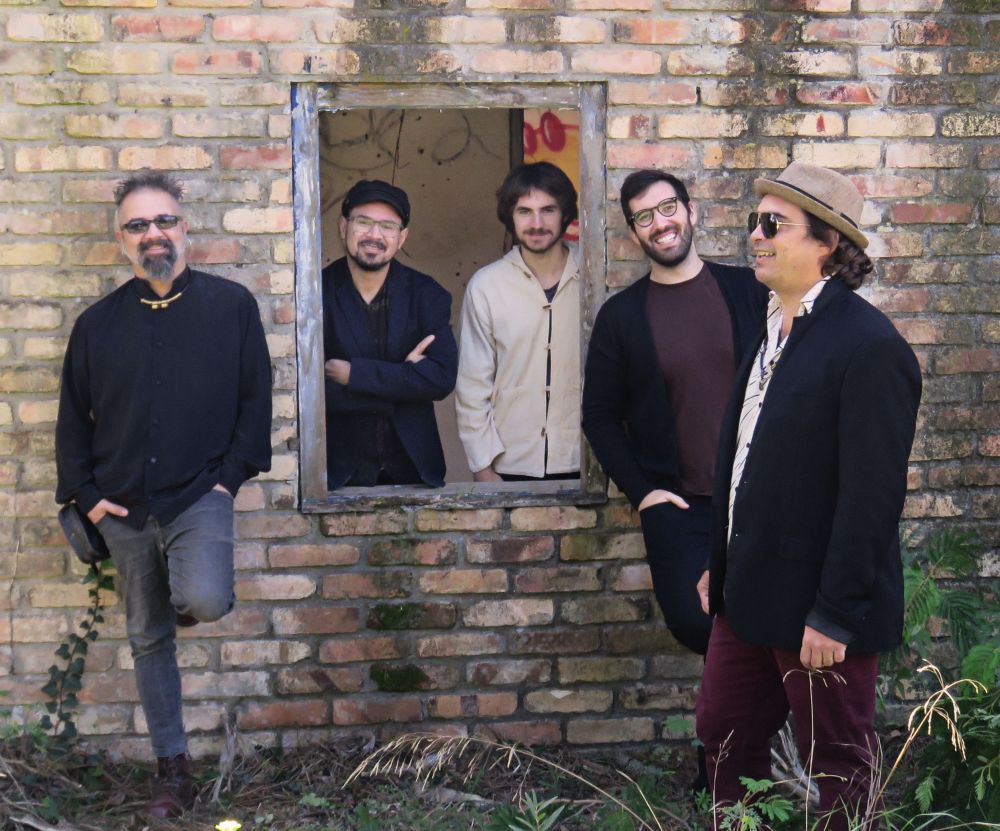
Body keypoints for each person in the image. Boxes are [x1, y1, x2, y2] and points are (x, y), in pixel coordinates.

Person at [695, 163, 922, 828]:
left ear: (827, 242)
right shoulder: (771, 326)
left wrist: (835, 612)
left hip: (819, 611)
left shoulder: (870, 346)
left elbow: (872, 497)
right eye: (755, 221)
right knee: (723, 734)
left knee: (840, 767)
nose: (755, 235)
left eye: (773, 224)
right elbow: (752, 461)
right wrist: (721, 560)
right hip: (747, 592)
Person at [56, 171, 272, 819]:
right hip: (121, 505)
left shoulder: (232, 308)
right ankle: (171, 769)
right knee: (148, 637)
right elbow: (72, 421)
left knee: (202, 597)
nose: (153, 233)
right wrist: (88, 497)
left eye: (164, 220)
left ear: (185, 228)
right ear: (121, 239)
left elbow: (256, 402)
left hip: (200, 493)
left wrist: (228, 479)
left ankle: (184, 584)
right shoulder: (96, 326)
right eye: (138, 224)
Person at [583, 170, 767, 658]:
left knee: (766, 613)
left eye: (668, 208)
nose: (660, 223)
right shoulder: (622, 317)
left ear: (690, 212)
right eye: (643, 217)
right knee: (694, 621)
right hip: (680, 505)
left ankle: (752, 705)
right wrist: (644, 493)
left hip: (757, 494)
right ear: (634, 233)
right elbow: (599, 416)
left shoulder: (749, 291)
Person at [322, 179, 458, 488]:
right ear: (344, 226)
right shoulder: (316, 294)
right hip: (339, 473)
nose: (374, 235)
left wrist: (354, 374)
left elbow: (441, 379)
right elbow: (313, 392)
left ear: (402, 237)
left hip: (414, 470)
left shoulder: (427, 295)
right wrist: (404, 381)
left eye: (387, 226)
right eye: (363, 222)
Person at [456, 162, 581, 482]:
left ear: (565, 213)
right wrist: (483, 468)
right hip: (509, 465)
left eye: (548, 210)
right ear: (510, 216)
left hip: (586, 463)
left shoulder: (595, 275)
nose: (537, 223)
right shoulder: (487, 286)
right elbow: (472, 387)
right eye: (525, 211)